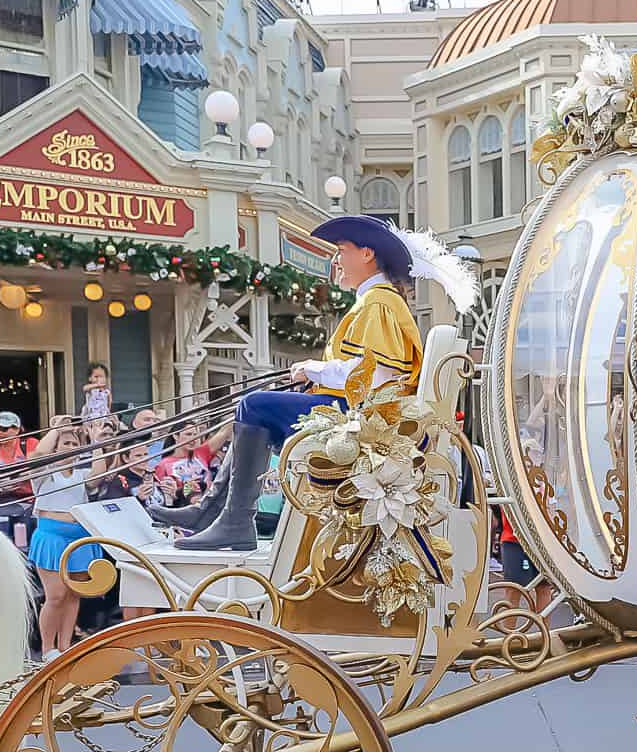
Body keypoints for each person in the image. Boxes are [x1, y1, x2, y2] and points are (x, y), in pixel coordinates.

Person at [173, 214, 474, 551]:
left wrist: (314, 369)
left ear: (367, 254)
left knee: (253, 405)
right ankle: (215, 513)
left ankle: (231, 520)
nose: (335, 261)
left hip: (364, 416)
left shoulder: (379, 304)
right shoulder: (374, 302)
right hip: (358, 412)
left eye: (342, 250)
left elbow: (376, 377)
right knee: (252, 407)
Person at [28, 416, 109, 660]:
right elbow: (39, 453)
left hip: (79, 536)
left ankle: (65, 645)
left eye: (75, 444)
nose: (71, 448)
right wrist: (57, 429)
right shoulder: (45, 473)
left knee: (73, 593)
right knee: (55, 595)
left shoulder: (80, 475)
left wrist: (95, 442)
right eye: (66, 443)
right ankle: (46, 648)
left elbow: (99, 473)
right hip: (52, 536)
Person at [0, 410, 37, 548]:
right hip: (3, 501)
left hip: (29, 500)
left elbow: (36, 469)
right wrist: (0, 488)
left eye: (4, 428)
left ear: (17, 429)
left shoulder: (30, 443)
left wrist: (13, 478)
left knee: (26, 535)